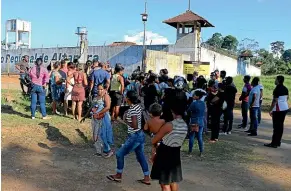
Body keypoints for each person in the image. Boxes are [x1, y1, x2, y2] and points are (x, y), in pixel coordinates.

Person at [107, 90, 150, 185]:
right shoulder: (138, 107)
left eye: (126, 97)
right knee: (141, 156)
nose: (125, 98)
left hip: (134, 136)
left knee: (119, 154)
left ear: (129, 99)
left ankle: (118, 175)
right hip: (140, 134)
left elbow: (134, 125)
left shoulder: (132, 109)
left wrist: (124, 121)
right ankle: (147, 177)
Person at [150, 101, 188, 191]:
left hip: (165, 153)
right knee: (172, 180)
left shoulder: (169, 125)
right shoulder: (184, 125)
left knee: (164, 183)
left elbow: (154, 140)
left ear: (172, 112)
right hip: (175, 153)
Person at [81, 83, 114, 157]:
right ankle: (98, 151)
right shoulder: (96, 97)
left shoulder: (106, 96)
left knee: (103, 134)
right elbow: (91, 108)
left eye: (101, 89)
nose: (99, 90)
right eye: (98, 89)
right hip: (95, 118)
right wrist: (85, 116)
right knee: (95, 134)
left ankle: (108, 150)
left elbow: (108, 107)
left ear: (105, 89)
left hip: (103, 119)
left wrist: (98, 113)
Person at [265, 76, 289, 148]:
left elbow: (275, 100)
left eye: (275, 79)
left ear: (278, 80)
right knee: (280, 126)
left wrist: (270, 109)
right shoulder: (285, 88)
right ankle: (278, 142)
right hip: (285, 108)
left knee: (276, 127)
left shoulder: (277, 89)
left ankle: (274, 143)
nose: (274, 80)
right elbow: (287, 97)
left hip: (278, 109)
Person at [187, 90, 206, 156]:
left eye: (194, 95)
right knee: (200, 137)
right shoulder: (203, 103)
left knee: (192, 136)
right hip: (201, 121)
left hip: (194, 121)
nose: (193, 96)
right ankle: (201, 151)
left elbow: (189, 110)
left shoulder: (194, 103)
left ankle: (190, 151)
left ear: (197, 96)